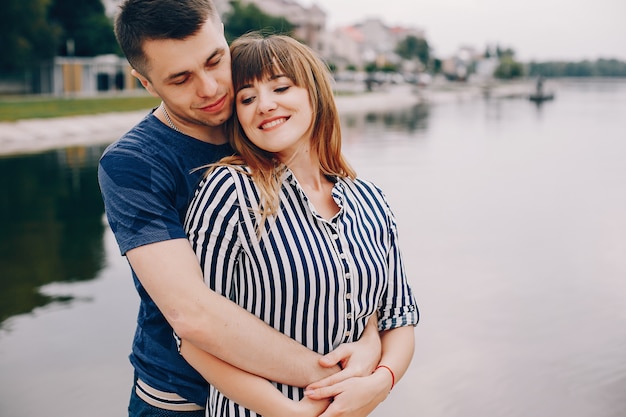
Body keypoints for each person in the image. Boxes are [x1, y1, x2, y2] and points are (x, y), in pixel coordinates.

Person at [98, 1, 381, 416]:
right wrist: (336, 379)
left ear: (224, 33)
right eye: (180, 79)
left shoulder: (265, 122)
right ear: (146, 82)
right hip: (184, 400)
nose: (210, 88)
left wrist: (372, 350)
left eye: (215, 60)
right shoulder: (135, 164)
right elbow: (191, 315)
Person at [180, 33, 419, 417]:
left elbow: (400, 318)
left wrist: (381, 382)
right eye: (247, 97)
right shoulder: (230, 192)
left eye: (280, 87)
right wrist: (292, 413)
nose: (265, 105)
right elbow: (193, 341)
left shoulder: (371, 200)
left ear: (314, 93)